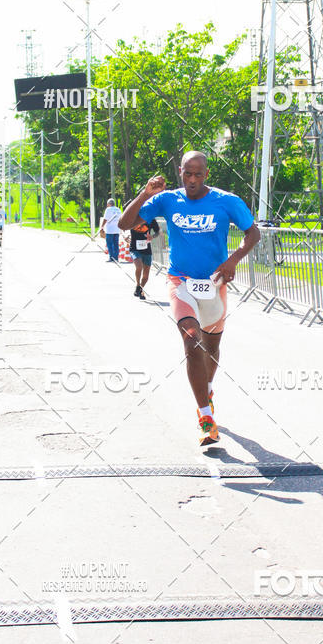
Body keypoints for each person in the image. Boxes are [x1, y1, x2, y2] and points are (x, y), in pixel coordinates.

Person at [119, 151, 260, 447]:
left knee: (211, 346)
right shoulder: (167, 199)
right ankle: (206, 418)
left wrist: (233, 260)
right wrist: (145, 193)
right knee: (191, 340)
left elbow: (253, 234)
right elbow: (124, 224)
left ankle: (206, 389)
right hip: (180, 281)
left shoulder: (227, 201)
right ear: (180, 172)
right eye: (187, 174)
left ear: (206, 174)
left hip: (214, 282)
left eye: (198, 174)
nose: (192, 180)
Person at [129, 215, 160, 299]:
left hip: (146, 249)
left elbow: (157, 232)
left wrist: (152, 237)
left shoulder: (151, 218)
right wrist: (125, 235)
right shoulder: (133, 217)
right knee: (139, 266)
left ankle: (140, 289)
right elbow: (123, 225)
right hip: (134, 248)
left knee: (146, 276)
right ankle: (138, 284)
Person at [100, 198, 122, 262]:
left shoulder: (108, 209)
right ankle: (116, 258)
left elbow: (105, 219)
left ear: (109, 204)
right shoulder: (118, 209)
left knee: (110, 243)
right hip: (117, 229)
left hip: (110, 230)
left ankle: (111, 257)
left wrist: (102, 226)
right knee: (116, 243)